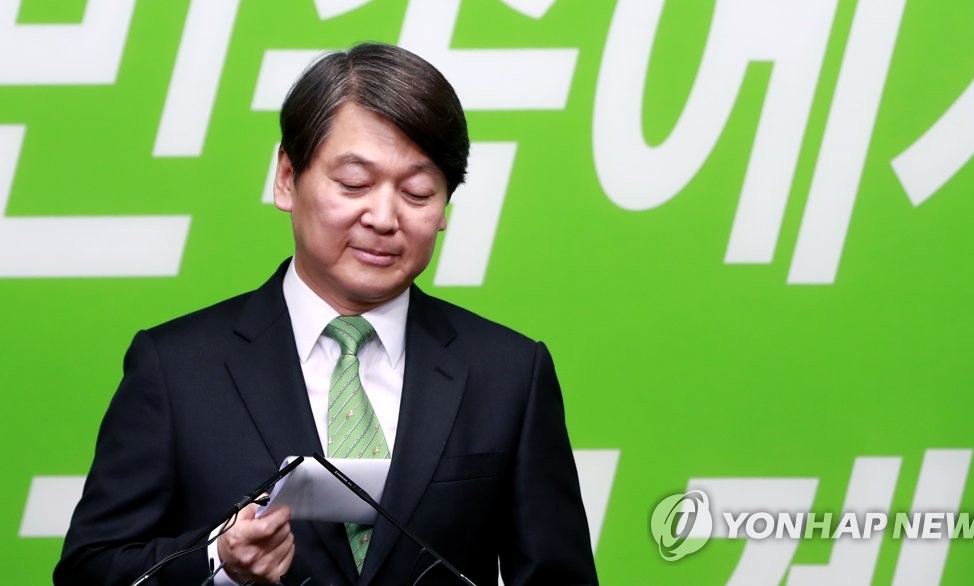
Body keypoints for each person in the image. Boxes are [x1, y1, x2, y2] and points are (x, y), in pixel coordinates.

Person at [54, 42, 597, 585]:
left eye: (417, 192)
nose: (383, 217)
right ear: (287, 177)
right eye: (354, 184)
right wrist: (218, 560)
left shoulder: (509, 373)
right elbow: (89, 570)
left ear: (444, 208)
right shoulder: (175, 368)